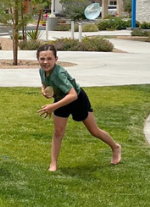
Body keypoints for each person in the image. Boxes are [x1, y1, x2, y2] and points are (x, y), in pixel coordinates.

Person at [36, 44, 122, 172]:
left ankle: (115, 147)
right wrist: (44, 90)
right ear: (38, 59)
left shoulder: (59, 74)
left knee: (94, 131)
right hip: (61, 99)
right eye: (42, 59)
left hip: (77, 99)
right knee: (58, 132)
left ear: (56, 59)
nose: (45, 62)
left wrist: (52, 107)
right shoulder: (41, 70)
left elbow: (73, 95)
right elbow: (45, 83)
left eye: (49, 58)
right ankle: (53, 164)